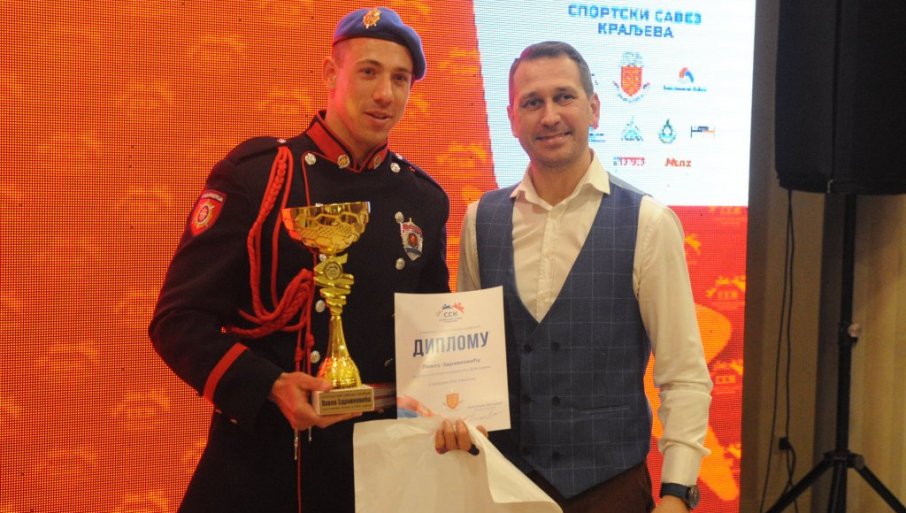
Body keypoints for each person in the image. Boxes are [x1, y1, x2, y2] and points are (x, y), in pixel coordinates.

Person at [149, 7, 449, 513]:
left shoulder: (423, 199)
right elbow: (177, 321)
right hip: (265, 467)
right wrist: (268, 384)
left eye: (400, 79)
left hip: (380, 471)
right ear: (331, 74)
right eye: (369, 71)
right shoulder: (259, 177)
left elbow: (433, 333)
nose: (385, 94)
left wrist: (455, 402)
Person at [454, 41, 713, 512]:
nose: (549, 116)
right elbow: (469, 360)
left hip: (611, 490)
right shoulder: (479, 220)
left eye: (564, 97)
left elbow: (684, 375)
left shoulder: (649, 222)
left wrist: (677, 493)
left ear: (593, 108)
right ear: (512, 119)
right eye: (532, 102)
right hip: (499, 487)